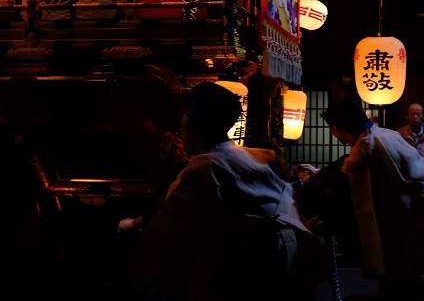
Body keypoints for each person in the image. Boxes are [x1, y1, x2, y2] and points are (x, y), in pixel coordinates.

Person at [127, 82, 326, 301]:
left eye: (182, 130)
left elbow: (166, 232)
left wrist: (134, 226)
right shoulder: (261, 155)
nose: (180, 136)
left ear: (196, 133)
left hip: (252, 265)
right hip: (293, 255)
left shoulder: (203, 167)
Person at [317, 95, 424, 301]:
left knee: (423, 286)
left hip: (423, 219)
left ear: (337, 129)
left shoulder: (368, 146)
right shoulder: (380, 134)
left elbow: (347, 174)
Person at [397, 103, 424, 168]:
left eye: (418, 114)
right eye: (412, 114)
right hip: (409, 170)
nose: (415, 117)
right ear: (407, 116)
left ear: (423, 116)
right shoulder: (400, 133)